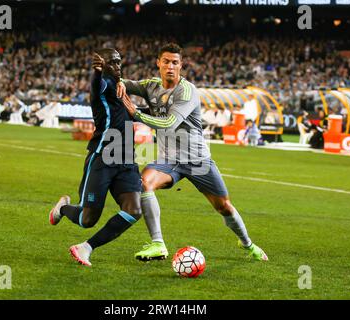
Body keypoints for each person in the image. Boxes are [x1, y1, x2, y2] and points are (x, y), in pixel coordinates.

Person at [118, 43, 268, 262]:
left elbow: (169, 123)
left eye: (175, 62)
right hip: (168, 160)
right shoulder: (150, 86)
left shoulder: (187, 91)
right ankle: (158, 244)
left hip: (197, 160)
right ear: (158, 63)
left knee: (224, 206)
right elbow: (125, 83)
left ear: (181, 65)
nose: (170, 66)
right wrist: (118, 82)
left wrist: (136, 114)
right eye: (166, 61)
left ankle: (247, 243)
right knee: (144, 183)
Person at [48, 49, 142, 267]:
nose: (117, 67)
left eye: (119, 62)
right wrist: (98, 73)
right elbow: (96, 85)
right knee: (88, 219)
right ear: (104, 66)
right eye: (112, 63)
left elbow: (133, 112)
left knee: (134, 210)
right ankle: (62, 208)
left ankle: (86, 247)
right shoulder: (104, 86)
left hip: (127, 160)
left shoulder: (122, 89)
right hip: (103, 158)